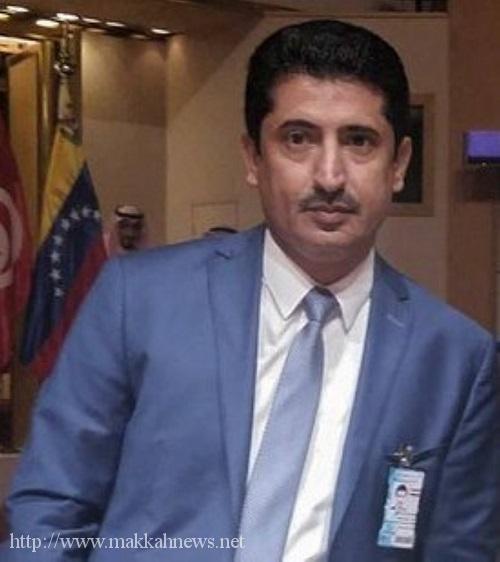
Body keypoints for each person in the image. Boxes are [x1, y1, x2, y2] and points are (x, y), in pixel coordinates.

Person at [4, 18, 500, 562]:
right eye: (298, 139)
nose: (329, 176)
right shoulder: (138, 300)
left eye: (358, 141)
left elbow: (460, 550)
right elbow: (52, 505)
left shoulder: (456, 360)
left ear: (398, 165)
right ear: (252, 159)